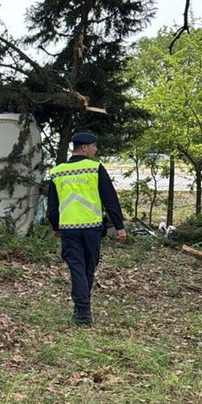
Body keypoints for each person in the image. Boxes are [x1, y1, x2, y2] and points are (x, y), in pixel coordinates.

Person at [47, 132, 127, 326]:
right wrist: (119, 226)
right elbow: (110, 199)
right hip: (91, 228)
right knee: (88, 269)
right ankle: (83, 310)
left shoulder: (57, 171)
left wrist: (56, 226)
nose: (96, 149)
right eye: (94, 146)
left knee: (77, 269)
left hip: (68, 229)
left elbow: (52, 205)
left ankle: (82, 312)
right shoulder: (95, 168)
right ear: (84, 148)